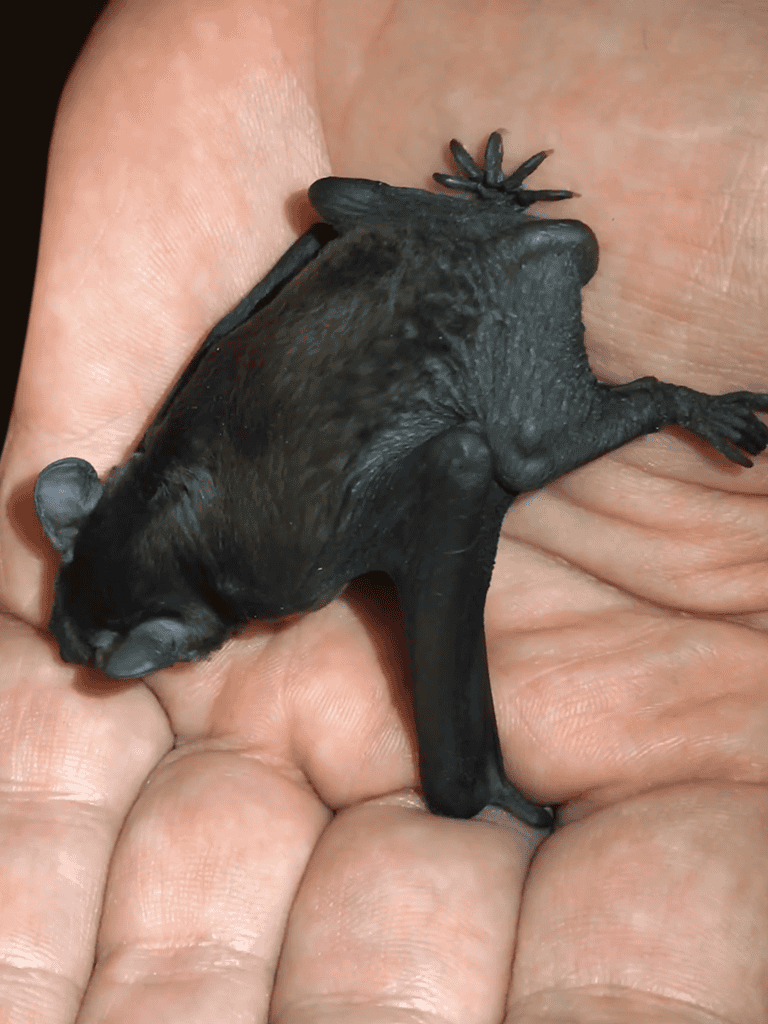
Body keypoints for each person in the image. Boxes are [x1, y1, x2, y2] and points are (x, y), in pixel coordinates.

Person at [1, 2, 766, 1020]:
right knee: (332, 204)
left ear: (181, 635)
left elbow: (454, 465)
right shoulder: (159, 450)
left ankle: (669, 399)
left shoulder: (280, 572)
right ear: (88, 504)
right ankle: (497, 237)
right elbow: (293, 261)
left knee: (505, 453)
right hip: (419, 240)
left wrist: (685, 406)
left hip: (511, 300)